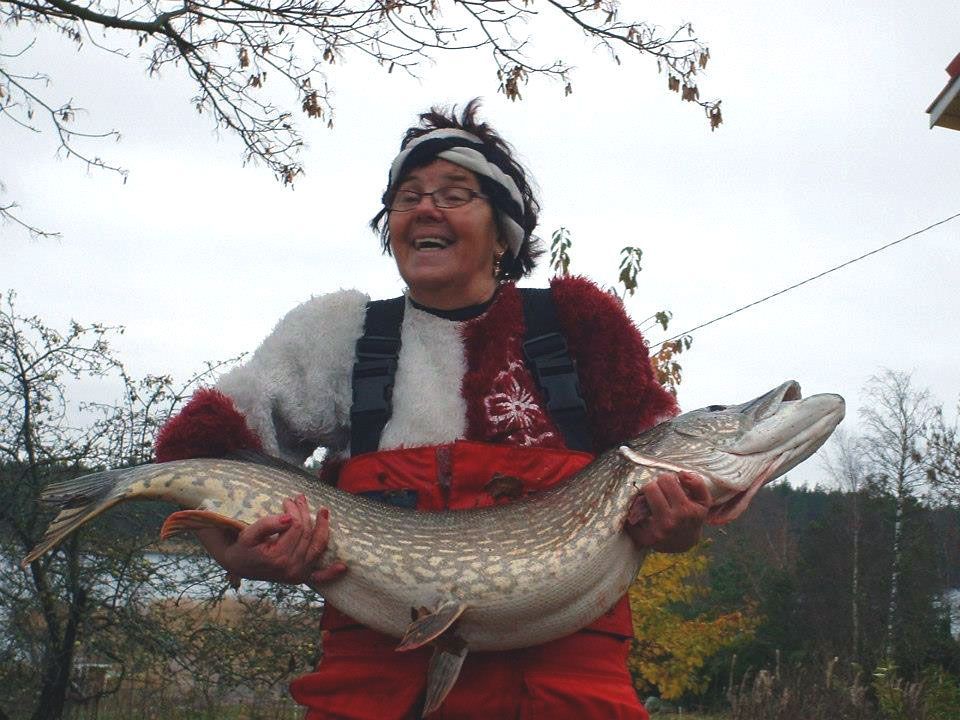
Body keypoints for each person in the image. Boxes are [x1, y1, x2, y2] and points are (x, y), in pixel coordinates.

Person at [154, 100, 710, 719]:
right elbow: (197, 454)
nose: (424, 208)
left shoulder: (581, 326)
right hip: (376, 689)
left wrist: (680, 528)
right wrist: (230, 551)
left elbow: (668, 473)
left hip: (564, 693)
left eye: (454, 193)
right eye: (408, 195)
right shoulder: (338, 336)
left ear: (504, 230)